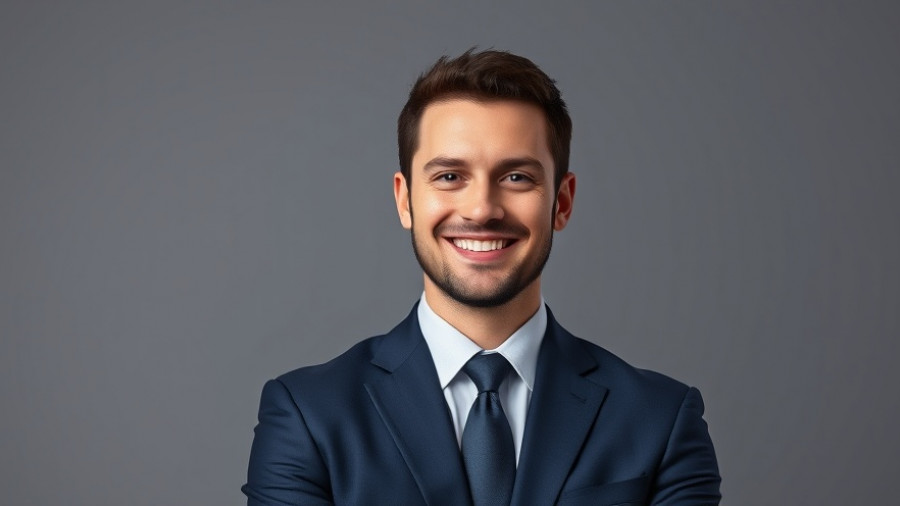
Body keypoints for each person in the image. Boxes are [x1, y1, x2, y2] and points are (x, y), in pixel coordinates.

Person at [242, 49, 721, 506]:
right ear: (405, 200)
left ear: (563, 201)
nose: (481, 210)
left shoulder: (661, 419)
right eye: (450, 176)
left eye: (516, 177)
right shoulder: (307, 415)